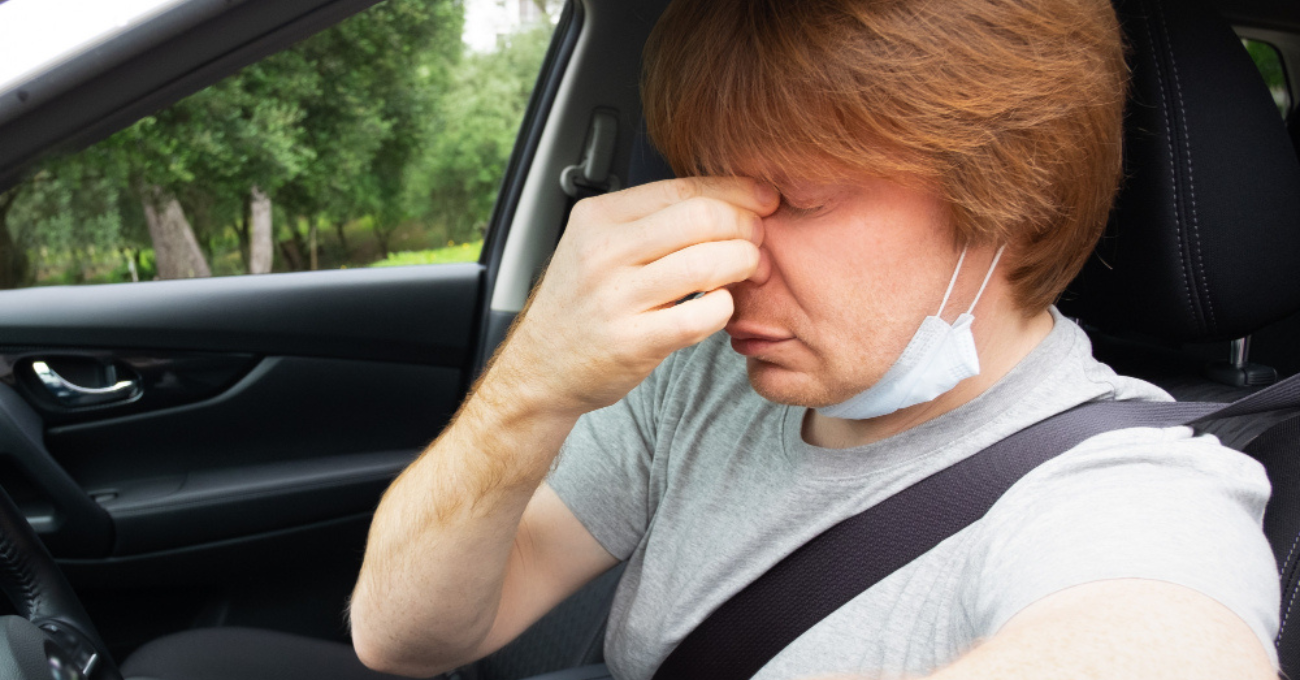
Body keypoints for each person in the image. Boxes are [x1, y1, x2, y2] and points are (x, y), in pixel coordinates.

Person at [349, 0, 1281, 678]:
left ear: (1011, 198)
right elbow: (404, 635)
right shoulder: (696, 378)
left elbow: (1159, 632)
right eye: (708, 191)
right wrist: (531, 387)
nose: (727, 258)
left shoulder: (1130, 491)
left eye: (793, 201)